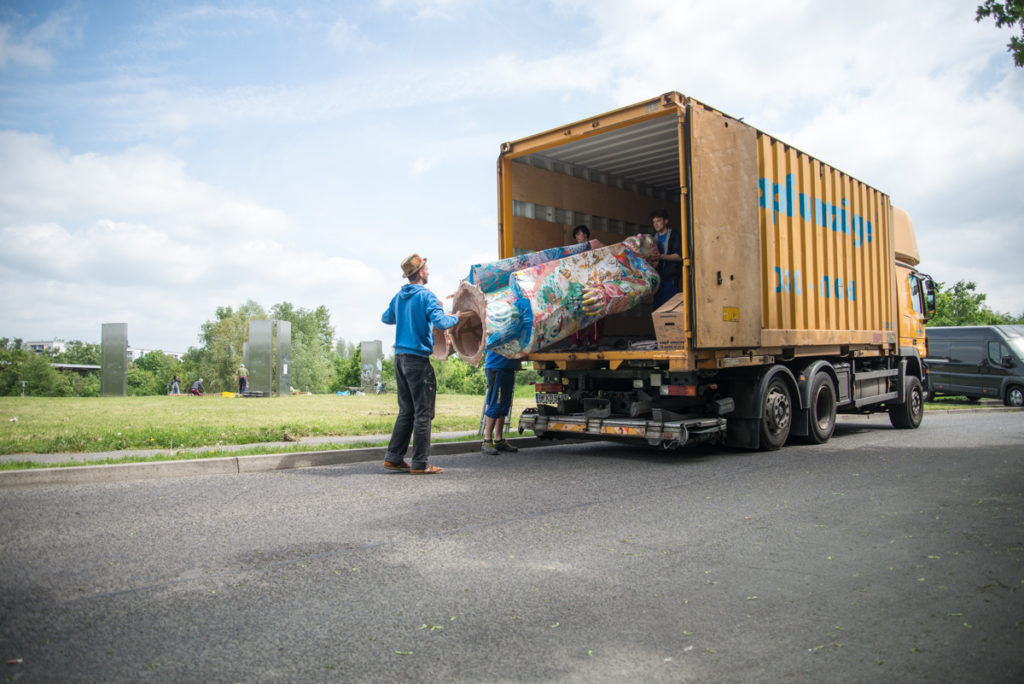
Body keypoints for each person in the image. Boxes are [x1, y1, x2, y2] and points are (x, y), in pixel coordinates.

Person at [381, 253, 468, 475]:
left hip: (400, 359)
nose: (428, 272)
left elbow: (386, 318)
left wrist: (405, 315)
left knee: (406, 411)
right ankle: (420, 463)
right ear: (420, 272)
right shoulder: (427, 296)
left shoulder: (399, 296)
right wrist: (456, 316)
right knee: (423, 412)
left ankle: (394, 457)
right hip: (418, 361)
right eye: (426, 269)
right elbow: (441, 322)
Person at [481, 349, 520, 455]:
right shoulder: (494, 332)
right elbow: (486, 344)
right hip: (496, 366)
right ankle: (487, 440)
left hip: (509, 367)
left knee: (504, 405)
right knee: (495, 405)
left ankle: (498, 440)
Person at [571, 225, 604, 349]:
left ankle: (594, 341)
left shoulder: (595, 246)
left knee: (595, 311)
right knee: (576, 312)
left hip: (593, 285)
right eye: (576, 235)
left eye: (579, 234)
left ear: (585, 234)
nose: (578, 237)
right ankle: (577, 341)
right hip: (577, 286)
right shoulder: (573, 251)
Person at [649, 209, 682, 309]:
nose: (656, 224)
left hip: (670, 280)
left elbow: (679, 257)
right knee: (657, 309)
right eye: (654, 222)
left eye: (658, 221)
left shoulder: (674, 236)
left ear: (666, 221)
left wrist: (661, 256)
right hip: (658, 281)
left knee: (669, 309)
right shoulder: (652, 239)